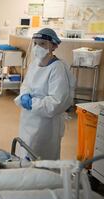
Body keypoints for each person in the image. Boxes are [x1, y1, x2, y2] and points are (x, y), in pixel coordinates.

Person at [14, 28, 76, 160]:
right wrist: (25, 95)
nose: (37, 47)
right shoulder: (34, 64)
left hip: (46, 124)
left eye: (42, 44)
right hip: (28, 119)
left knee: (41, 157)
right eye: (35, 43)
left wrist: (33, 104)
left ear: (53, 46)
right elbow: (26, 85)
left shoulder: (57, 68)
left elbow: (57, 102)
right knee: (25, 151)